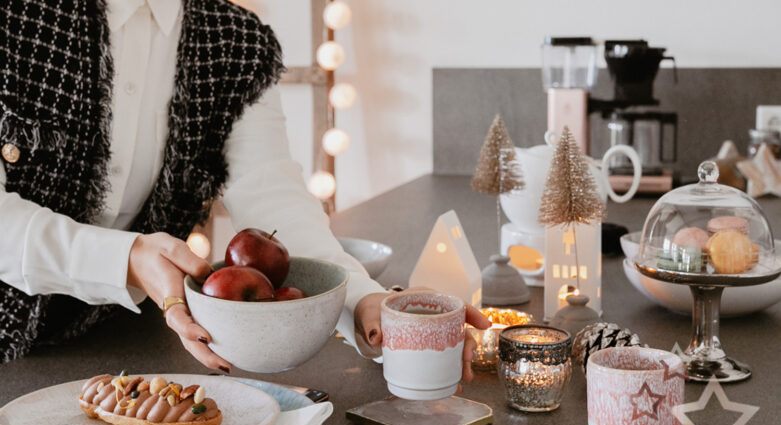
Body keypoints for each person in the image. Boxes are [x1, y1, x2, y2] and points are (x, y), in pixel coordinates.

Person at [0, 0, 488, 379]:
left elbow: (274, 200)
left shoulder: (235, 43)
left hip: (123, 347)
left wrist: (366, 301)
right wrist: (125, 258)